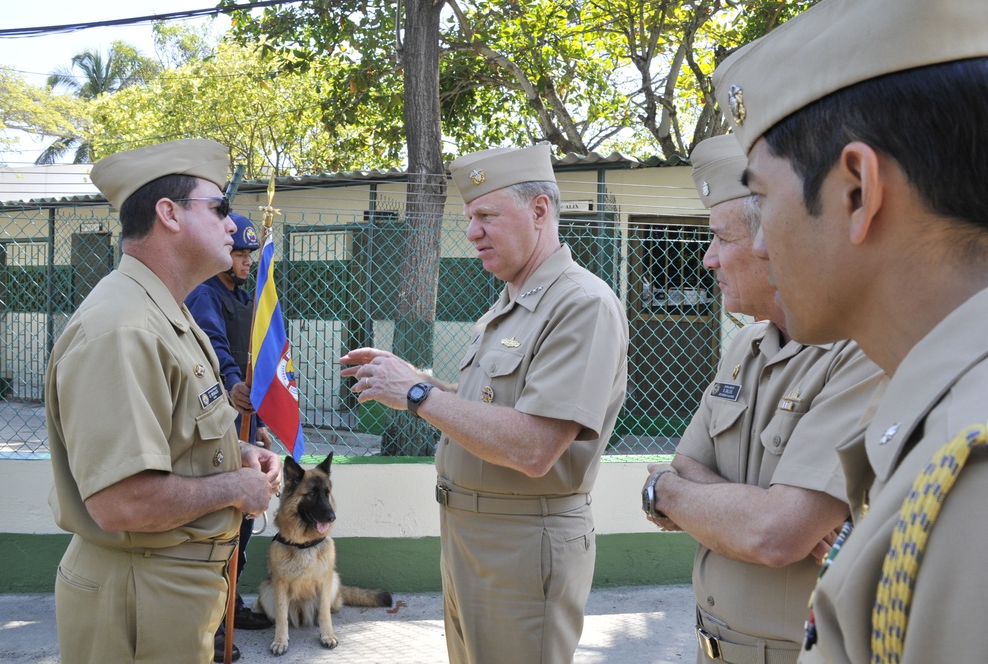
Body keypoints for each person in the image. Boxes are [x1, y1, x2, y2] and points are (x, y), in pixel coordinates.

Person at [710, 0, 988, 661]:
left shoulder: (970, 488)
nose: (754, 241)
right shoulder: (933, 414)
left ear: (857, 190)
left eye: (760, 201)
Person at [340, 142, 628, 663]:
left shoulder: (580, 304)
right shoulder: (512, 302)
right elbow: (492, 406)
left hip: (521, 544)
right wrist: (416, 380)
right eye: (470, 216)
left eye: (486, 215)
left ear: (540, 210)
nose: (472, 231)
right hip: (472, 537)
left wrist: (419, 394)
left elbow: (536, 446)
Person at [642, 134, 884, 664]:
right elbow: (689, 461)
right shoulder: (747, 342)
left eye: (720, 239)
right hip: (716, 639)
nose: (708, 260)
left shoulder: (862, 349)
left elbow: (775, 534)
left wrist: (663, 491)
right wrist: (744, 505)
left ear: (771, 241)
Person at [46, 139, 282, 663]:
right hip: (141, 596)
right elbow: (120, 502)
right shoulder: (123, 327)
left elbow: (174, 439)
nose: (230, 224)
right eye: (218, 208)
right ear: (169, 214)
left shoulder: (163, 312)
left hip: (167, 590)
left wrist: (235, 455)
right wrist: (236, 486)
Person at [185, 212, 274, 652]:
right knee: (225, 521)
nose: (245, 261)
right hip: (220, 415)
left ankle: (232, 604)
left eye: (249, 254)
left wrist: (259, 425)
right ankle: (214, 623)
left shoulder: (242, 297)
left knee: (244, 522)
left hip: (245, 420)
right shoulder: (206, 295)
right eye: (239, 252)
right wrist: (237, 385)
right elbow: (215, 350)